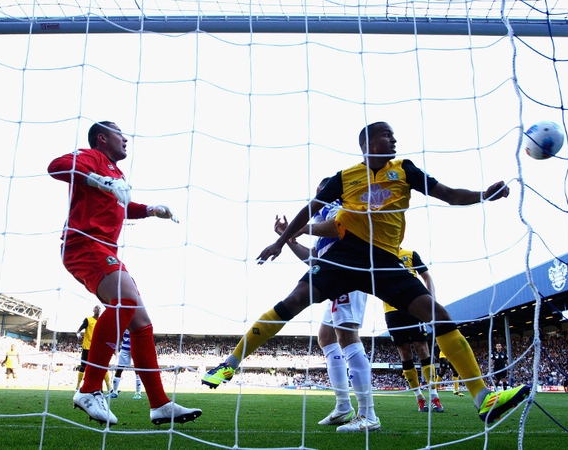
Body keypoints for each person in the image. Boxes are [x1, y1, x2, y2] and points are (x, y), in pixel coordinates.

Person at [202, 121, 531, 428]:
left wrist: (484, 195)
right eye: (387, 134)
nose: (394, 139)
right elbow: (309, 208)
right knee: (295, 301)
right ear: (367, 142)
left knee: (437, 314)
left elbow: (448, 194)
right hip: (346, 255)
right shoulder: (345, 177)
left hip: (384, 261)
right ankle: (230, 363)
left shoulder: (404, 170)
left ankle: (483, 397)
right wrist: (280, 241)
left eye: (393, 136)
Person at [48, 121, 201, 426]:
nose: (126, 138)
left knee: (141, 323)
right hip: (84, 245)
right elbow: (56, 166)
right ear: (102, 138)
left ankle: (159, 404)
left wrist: (149, 210)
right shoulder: (91, 157)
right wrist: (98, 181)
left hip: (105, 249)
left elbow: (121, 204)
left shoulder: (116, 172)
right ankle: (89, 389)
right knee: (125, 302)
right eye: (120, 133)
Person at [271, 177, 374, 427]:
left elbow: (340, 228)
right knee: (326, 337)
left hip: (348, 272)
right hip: (335, 276)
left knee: (347, 336)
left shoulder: (337, 206)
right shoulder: (322, 219)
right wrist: (291, 240)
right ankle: (342, 405)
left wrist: (297, 229)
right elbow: (315, 259)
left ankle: (368, 414)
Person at [383, 248, 443, 413]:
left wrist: (431, 299)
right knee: (404, 352)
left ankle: (434, 395)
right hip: (391, 310)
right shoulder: (379, 253)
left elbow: (426, 276)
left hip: (412, 305)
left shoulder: (410, 254)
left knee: (421, 346)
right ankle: (419, 398)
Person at [76, 305, 111, 393]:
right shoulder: (88, 320)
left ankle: (109, 387)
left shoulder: (102, 320)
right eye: (96, 308)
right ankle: (77, 387)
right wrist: (78, 335)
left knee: (102, 366)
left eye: (99, 308)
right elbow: (78, 330)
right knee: (83, 366)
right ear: (93, 310)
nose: (97, 309)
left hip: (98, 348)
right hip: (87, 347)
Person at [110, 329, 143, 400]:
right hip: (124, 348)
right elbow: (120, 335)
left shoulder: (136, 321)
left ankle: (138, 392)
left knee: (137, 370)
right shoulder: (124, 321)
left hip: (136, 348)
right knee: (119, 369)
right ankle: (115, 392)